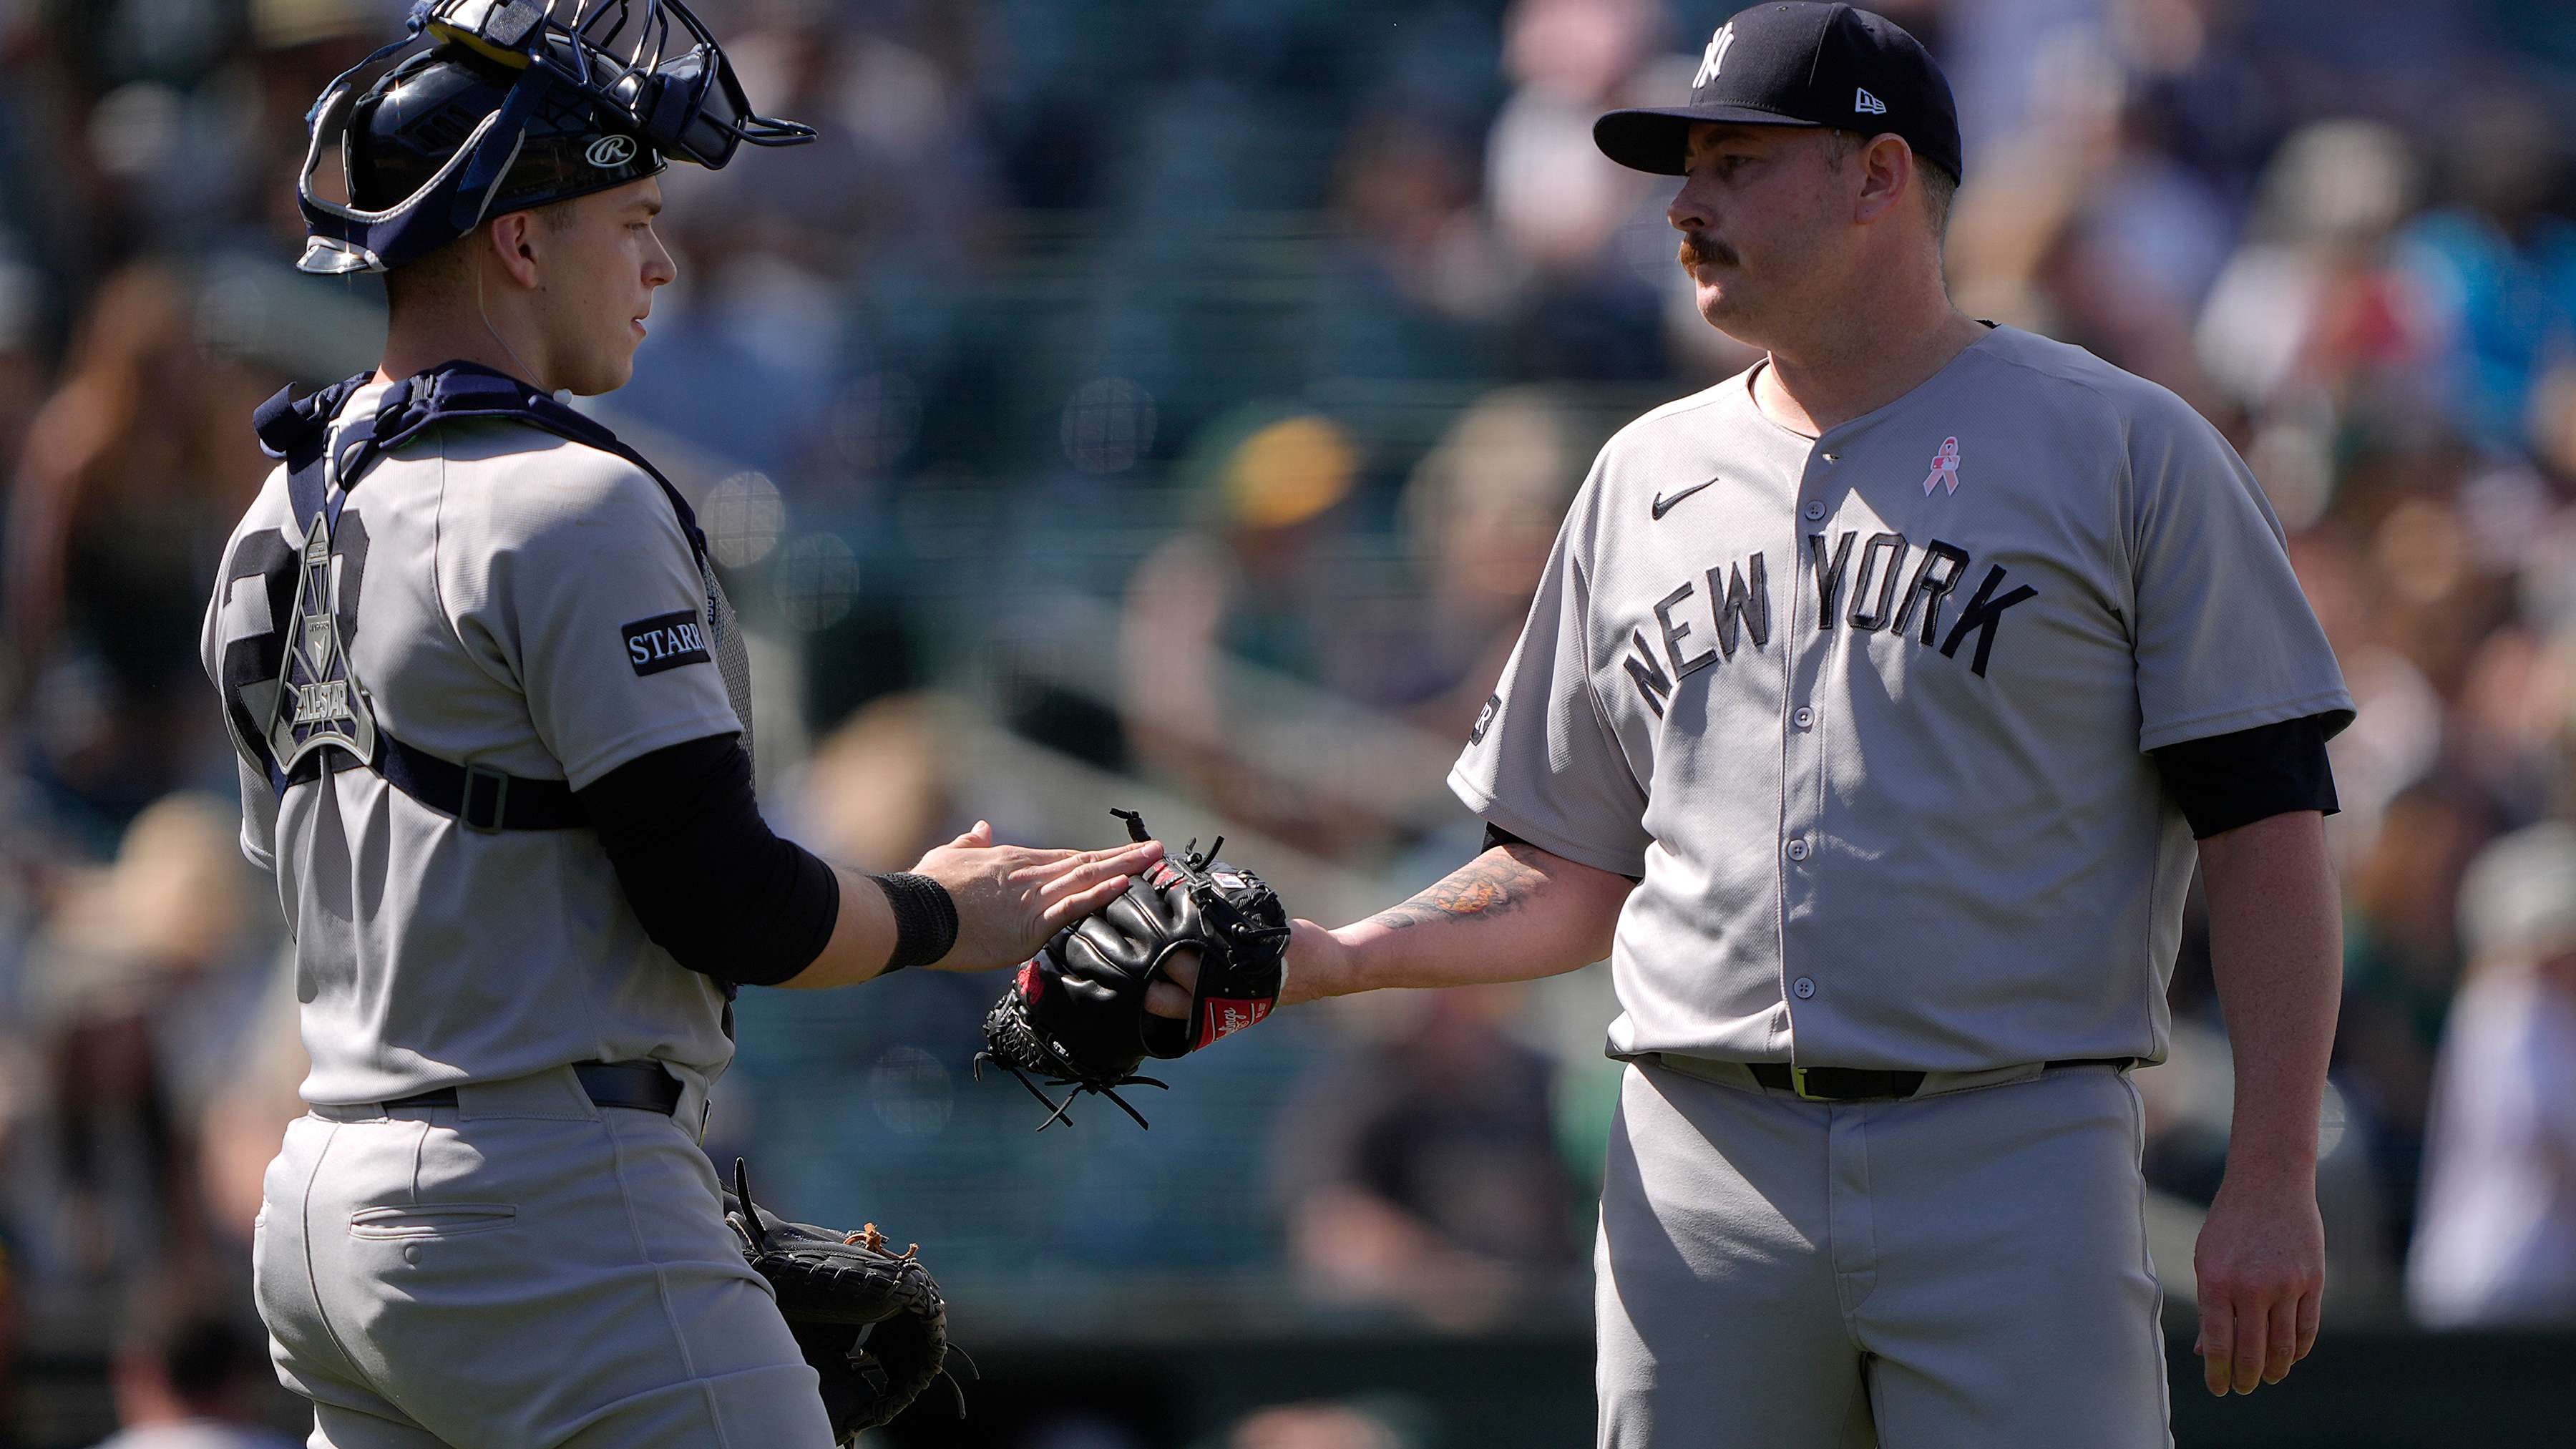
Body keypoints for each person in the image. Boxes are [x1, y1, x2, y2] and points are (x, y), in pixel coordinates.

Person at [1228, 5, 2351, 1443]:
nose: (1685, 205)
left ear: (1879, 176)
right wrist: (1344, 953)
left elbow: (2268, 828)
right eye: (1687, 168)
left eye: (1738, 164)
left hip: (2013, 1143)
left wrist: (2273, 1171)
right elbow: (1566, 862)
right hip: (1703, 1161)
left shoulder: (2128, 450)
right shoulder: (1638, 475)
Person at [198, 4, 1158, 1445]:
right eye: (636, 221)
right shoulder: (567, 499)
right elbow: (728, 902)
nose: (661, 263)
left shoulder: (275, 515)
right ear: (522, 241)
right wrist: (950, 911)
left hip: (329, 1203)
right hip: (540, 1200)